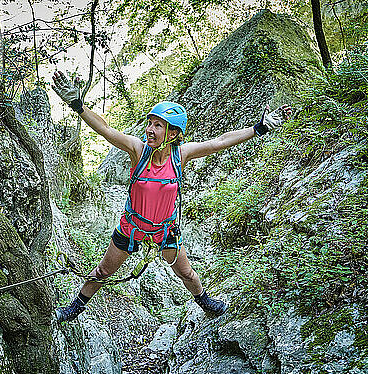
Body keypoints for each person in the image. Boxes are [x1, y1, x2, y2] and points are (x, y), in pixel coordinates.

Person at [51, 71, 292, 322]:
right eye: (150, 123)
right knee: (102, 271)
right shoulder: (138, 150)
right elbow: (106, 130)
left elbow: (220, 141)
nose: (150, 130)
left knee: (187, 274)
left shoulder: (181, 155)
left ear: (174, 133)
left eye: (158, 125)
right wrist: (77, 105)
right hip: (131, 228)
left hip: (164, 232)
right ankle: (74, 308)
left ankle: (204, 301)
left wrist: (259, 128)